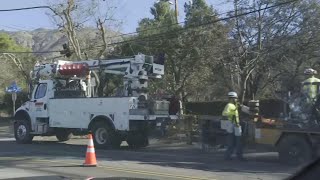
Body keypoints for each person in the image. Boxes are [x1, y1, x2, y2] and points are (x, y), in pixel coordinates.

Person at [222, 91, 245, 161]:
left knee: (236, 142)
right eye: (235, 98)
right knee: (235, 142)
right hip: (232, 125)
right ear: (231, 98)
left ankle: (230, 156)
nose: (236, 99)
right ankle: (235, 157)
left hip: (235, 125)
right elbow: (224, 113)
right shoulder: (229, 105)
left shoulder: (234, 105)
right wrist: (232, 115)